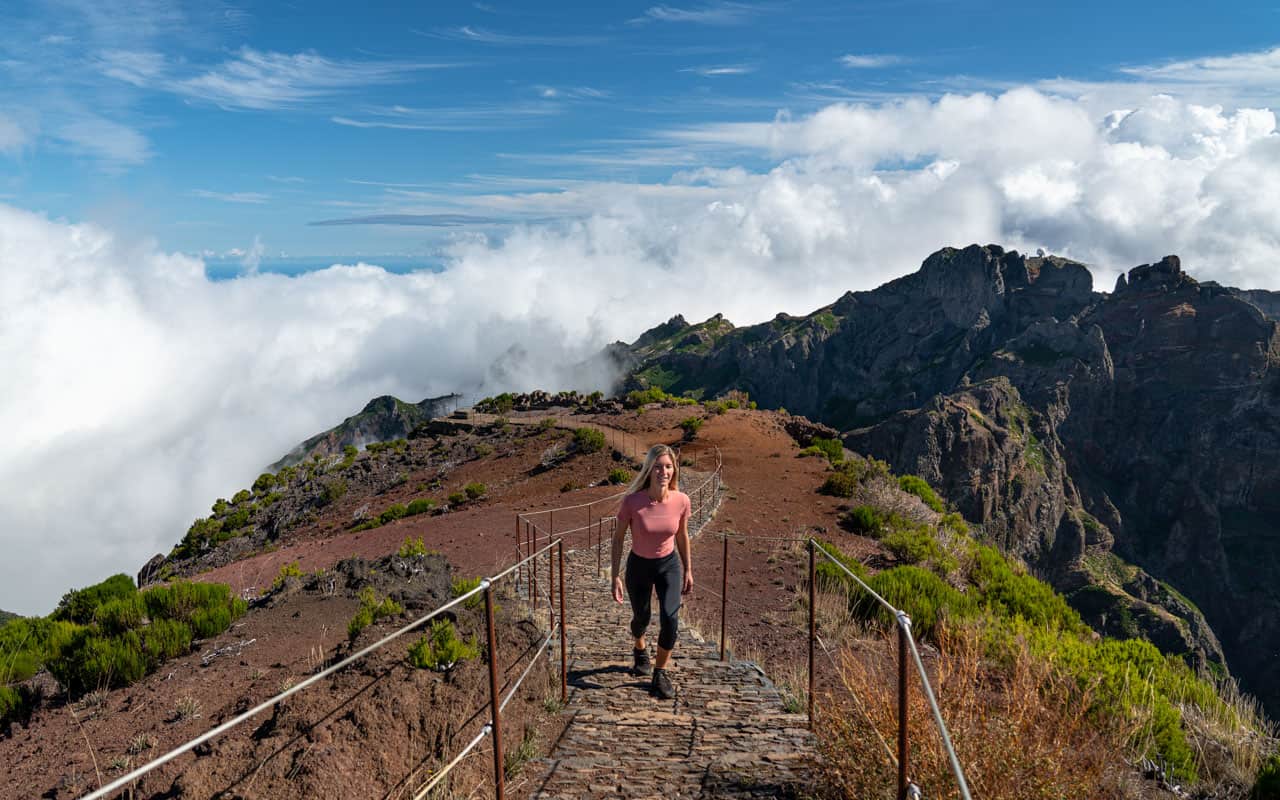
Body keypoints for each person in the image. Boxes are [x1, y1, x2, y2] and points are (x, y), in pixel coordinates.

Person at [611, 443, 694, 700]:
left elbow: (682, 535)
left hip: (668, 566)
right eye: (658, 467)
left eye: (668, 466)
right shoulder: (632, 502)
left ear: (674, 470)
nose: (663, 472)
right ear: (649, 469)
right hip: (639, 567)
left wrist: (688, 569)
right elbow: (618, 539)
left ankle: (659, 673)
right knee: (642, 619)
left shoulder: (681, 501)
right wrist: (615, 575)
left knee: (670, 619)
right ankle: (639, 649)